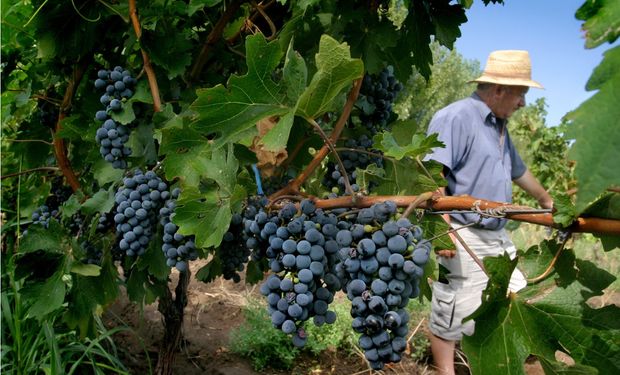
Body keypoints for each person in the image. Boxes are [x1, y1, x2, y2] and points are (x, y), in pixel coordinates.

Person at [424, 50, 554, 375]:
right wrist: (444, 232)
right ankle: (445, 370)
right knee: (450, 307)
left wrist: (547, 200)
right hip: (461, 231)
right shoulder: (455, 117)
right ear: (500, 90)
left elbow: (519, 172)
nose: (523, 103)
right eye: (521, 94)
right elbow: (430, 176)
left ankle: (496, 360)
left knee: (518, 298)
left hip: (498, 236)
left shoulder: (499, 128)